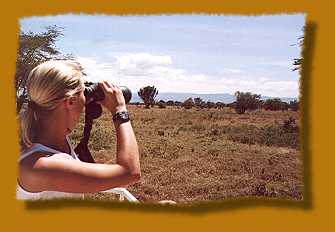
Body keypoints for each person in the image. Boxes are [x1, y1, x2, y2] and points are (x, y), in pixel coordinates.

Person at [17, 60, 141, 200]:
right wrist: (120, 110)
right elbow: (130, 172)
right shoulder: (40, 166)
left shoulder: (51, 137)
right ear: (70, 102)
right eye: (84, 94)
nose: (86, 100)